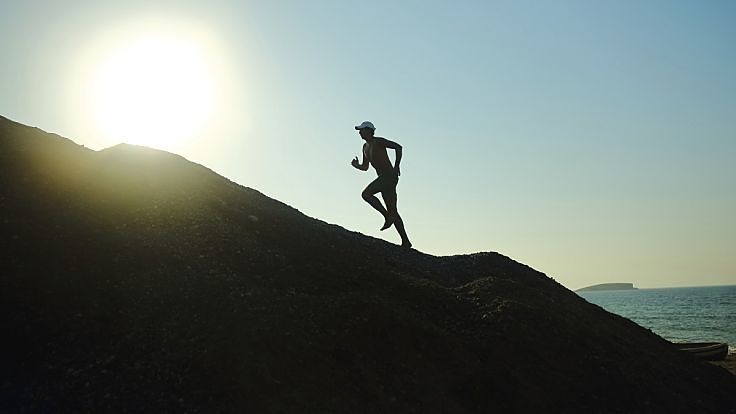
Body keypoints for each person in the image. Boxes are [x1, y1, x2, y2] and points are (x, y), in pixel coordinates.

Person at [351, 121, 412, 248]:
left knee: (366, 194)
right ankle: (406, 241)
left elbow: (398, 147)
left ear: (369, 131)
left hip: (389, 176)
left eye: (362, 130)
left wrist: (396, 166)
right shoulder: (365, 147)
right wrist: (356, 166)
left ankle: (387, 216)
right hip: (383, 178)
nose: (359, 132)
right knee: (393, 210)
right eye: (359, 130)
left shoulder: (378, 141)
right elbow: (365, 166)